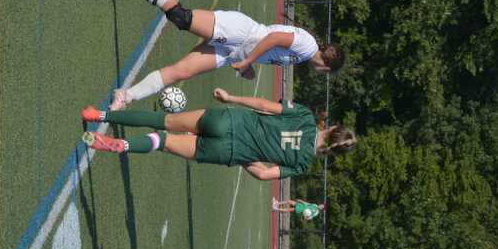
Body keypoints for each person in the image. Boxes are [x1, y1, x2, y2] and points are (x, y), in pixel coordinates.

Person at [108, 0, 346, 110]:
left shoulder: (303, 56)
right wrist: (248, 61)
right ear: (325, 68)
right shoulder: (308, 47)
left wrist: (248, 64)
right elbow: (273, 38)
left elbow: (269, 47)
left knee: (181, 72)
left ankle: (125, 96)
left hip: (233, 51)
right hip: (239, 32)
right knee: (181, 17)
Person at [81, 87, 357, 180]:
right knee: (162, 141)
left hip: (229, 122)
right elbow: (263, 174)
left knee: (164, 120)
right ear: (331, 153)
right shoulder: (301, 165)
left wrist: (230, 97)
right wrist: (244, 155)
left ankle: (98, 115)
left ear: (332, 128)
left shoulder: (306, 117)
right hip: (229, 152)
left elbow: (264, 106)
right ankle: (125, 145)